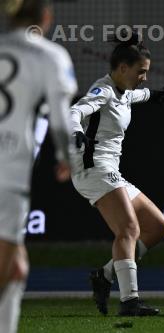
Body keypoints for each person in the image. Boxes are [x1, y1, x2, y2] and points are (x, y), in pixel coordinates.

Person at [69, 32, 164, 316]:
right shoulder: (102, 91)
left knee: (158, 227)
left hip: (111, 171)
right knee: (129, 229)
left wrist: (155, 95)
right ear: (123, 68)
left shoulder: (124, 91)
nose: (145, 77)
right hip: (93, 169)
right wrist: (77, 132)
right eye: (141, 72)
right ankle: (129, 302)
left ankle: (104, 274)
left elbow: (138, 95)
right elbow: (74, 112)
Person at [0, 0, 77, 332]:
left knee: (16, 266)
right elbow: (60, 121)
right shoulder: (50, 56)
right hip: (9, 174)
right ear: (46, 17)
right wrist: (67, 158)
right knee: (9, 268)